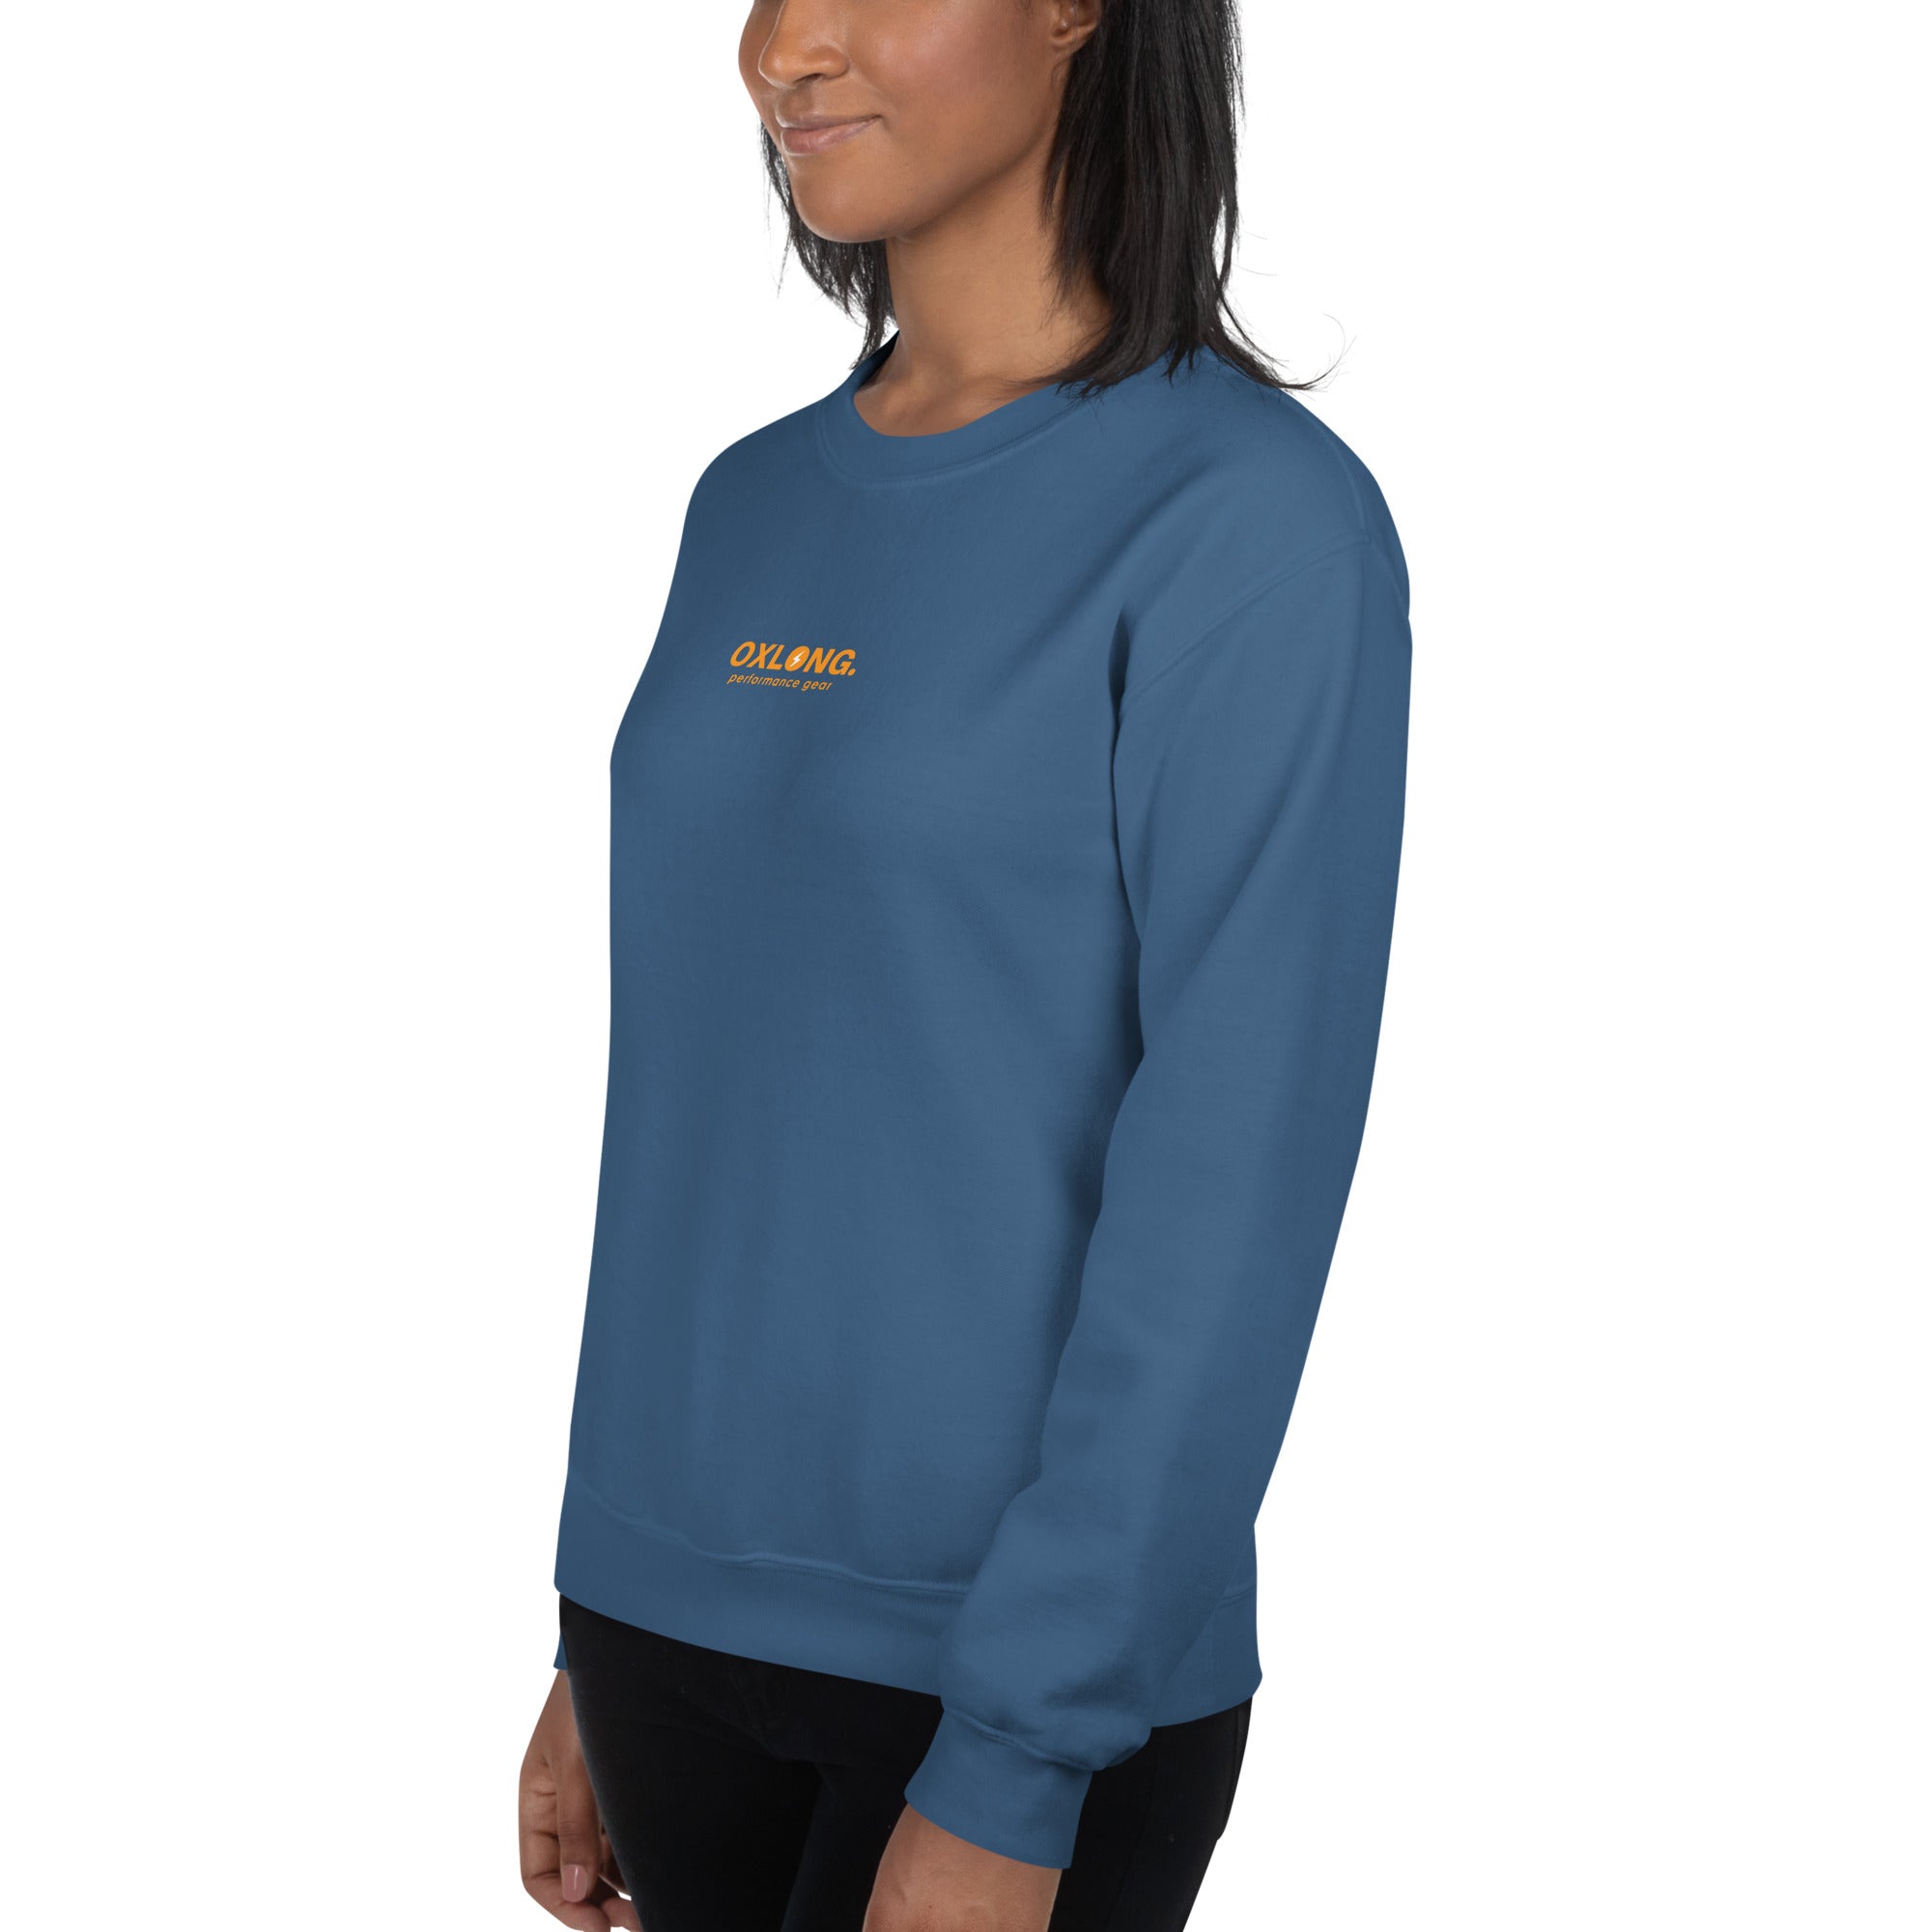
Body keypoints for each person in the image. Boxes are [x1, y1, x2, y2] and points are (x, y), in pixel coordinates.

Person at [517, 2, 1411, 1927]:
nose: (787, 47)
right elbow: (714, 1096)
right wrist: (592, 1627)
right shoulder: (752, 500)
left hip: (1011, 1672)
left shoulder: (1253, 525)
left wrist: (1024, 1747)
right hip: (663, 1622)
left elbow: (1237, 1175)